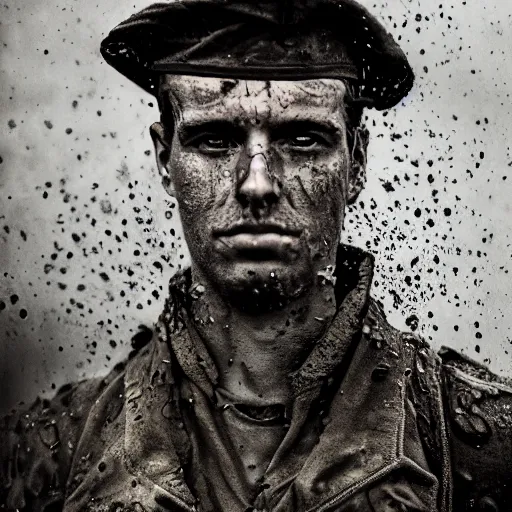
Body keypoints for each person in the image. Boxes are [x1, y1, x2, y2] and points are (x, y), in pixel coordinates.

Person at [2, 1, 511, 511]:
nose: (258, 182)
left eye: (304, 139)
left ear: (355, 162)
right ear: (164, 159)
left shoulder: (481, 442)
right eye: (215, 140)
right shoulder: (46, 456)